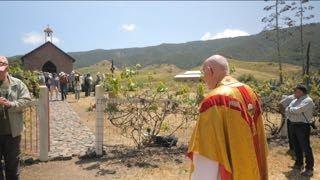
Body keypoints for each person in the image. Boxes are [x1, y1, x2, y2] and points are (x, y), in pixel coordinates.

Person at [188, 55, 268, 180]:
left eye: (204, 72)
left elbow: (206, 152)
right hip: (252, 164)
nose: (204, 77)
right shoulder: (249, 90)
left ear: (210, 70)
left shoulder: (215, 99)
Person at [0, 56, 32, 180]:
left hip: (12, 133)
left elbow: (26, 101)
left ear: (7, 67)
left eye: (2, 68)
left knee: (12, 166)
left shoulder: (17, 84)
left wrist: (10, 104)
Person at [286, 84, 315, 177]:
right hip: (293, 125)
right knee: (296, 145)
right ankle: (299, 164)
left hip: (302, 126)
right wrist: (291, 110)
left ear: (301, 92)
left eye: (296, 91)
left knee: (305, 147)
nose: (294, 92)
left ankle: (309, 168)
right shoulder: (295, 100)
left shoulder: (308, 101)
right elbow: (287, 110)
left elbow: (298, 110)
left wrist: (291, 110)